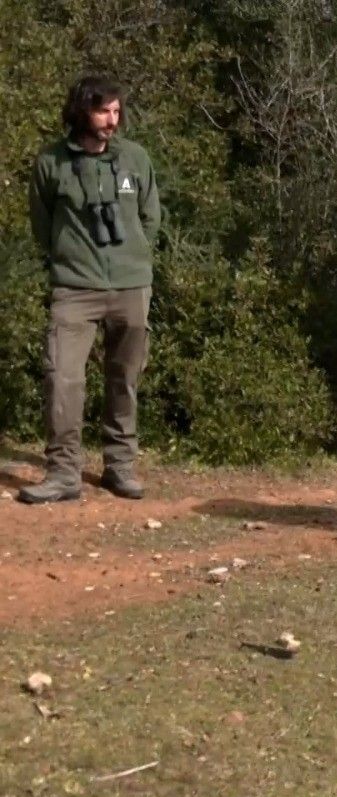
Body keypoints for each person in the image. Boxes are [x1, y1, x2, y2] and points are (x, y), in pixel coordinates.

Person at [18, 74, 161, 504]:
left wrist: (134, 258)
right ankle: (64, 472)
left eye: (117, 111)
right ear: (82, 111)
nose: (112, 121)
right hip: (74, 289)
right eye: (103, 111)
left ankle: (120, 467)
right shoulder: (51, 162)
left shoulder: (135, 158)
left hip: (131, 287)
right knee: (63, 379)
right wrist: (71, 259)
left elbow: (151, 218)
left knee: (125, 378)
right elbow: (42, 226)